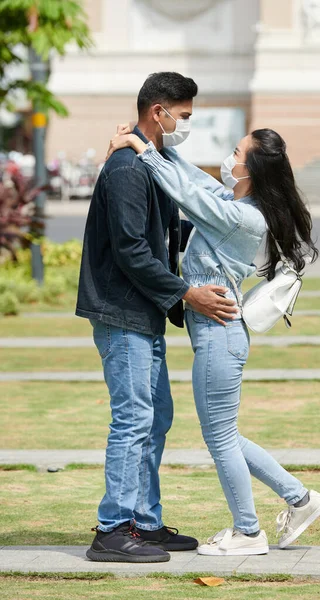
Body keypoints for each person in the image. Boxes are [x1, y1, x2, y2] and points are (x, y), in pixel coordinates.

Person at [105, 125, 320, 556]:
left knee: (221, 438)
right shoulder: (235, 202)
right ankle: (301, 500)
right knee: (227, 435)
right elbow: (193, 178)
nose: (229, 158)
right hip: (217, 335)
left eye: (235, 152)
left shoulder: (242, 217)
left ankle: (248, 532)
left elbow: (186, 195)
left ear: (251, 168)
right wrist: (150, 143)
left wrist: (142, 149)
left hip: (218, 336)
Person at [76, 72, 239, 564]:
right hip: (122, 309)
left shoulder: (152, 161)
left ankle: (144, 524)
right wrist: (188, 293)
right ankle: (112, 530)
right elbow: (131, 250)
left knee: (155, 417)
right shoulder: (127, 169)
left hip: (141, 310)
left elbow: (179, 212)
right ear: (158, 112)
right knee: (133, 419)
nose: (184, 125)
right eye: (183, 116)